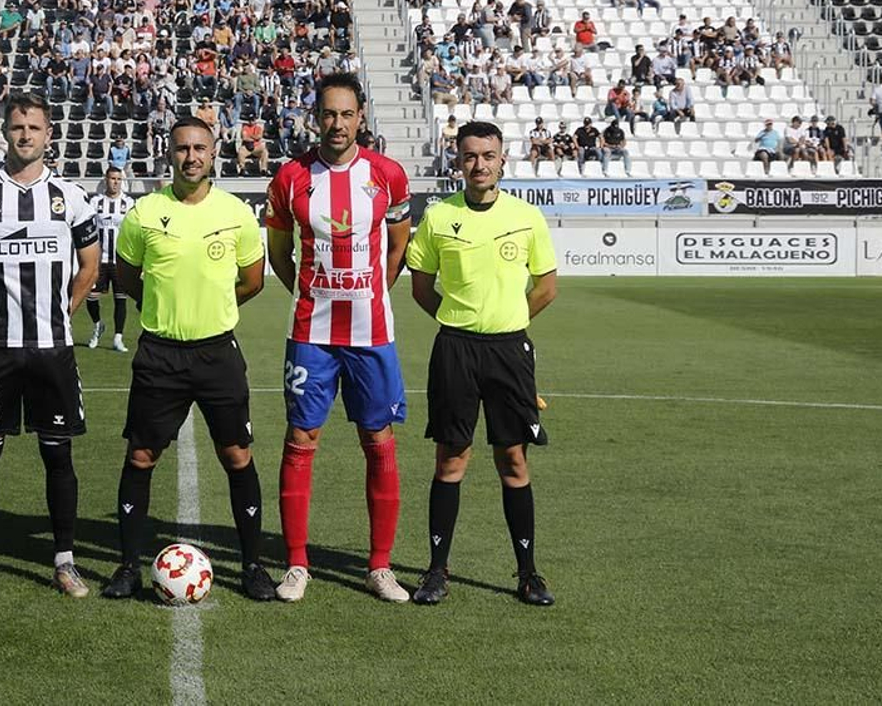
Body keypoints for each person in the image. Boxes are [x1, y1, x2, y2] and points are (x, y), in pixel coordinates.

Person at [102, 116, 277, 602]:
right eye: (182, 148)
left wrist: (212, 310)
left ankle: (253, 566)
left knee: (237, 456)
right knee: (141, 456)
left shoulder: (237, 213)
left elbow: (252, 280)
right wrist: (165, 310)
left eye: (200, 147)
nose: (191, 156)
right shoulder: (143, 213)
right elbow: (129, 277)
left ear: (213, 151)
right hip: (159, 355)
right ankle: (128, 567)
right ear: (170, 153)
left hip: (217, 352)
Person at [263, 74, 412, 604]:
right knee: (302, 441)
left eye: (346, 114)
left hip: (372, 334)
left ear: (361, 117)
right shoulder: (291, 178)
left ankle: (379, 566)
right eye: (328, 114)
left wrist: (373, 294)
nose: (337, 124)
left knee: (378, 442)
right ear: (315, 117)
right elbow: (279, 252)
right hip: (311, 334)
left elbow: (397, 247)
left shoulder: (389, 176)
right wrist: (310, 294)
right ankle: (297, 564)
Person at [0, 93, 101, 599]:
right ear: (4, 133)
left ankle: (64, 561)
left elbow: (89, 267)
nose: (25, 135)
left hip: (53, 348)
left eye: (34, 127)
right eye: (17, 127)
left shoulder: (71, 197)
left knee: (58, 457)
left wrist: (61, 314)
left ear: (49, 134)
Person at [407, 120, 558, 608]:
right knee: (451, 458)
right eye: (470, 156)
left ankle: (529, 573)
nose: (479, 164)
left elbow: (546, 286)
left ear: (502, 160)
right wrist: (461, 324)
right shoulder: (436, 218)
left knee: (513, 459)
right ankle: (435, 572)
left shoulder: (527, 217)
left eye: (488, 156)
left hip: (509, 351)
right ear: (459, 160)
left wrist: (507, 323)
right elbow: (421, 286)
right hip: (455, 349)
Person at [86, 166, 136, 352]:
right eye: (112, 178)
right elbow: (88, 228)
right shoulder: (96, 202)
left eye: (118, 179)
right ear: (105, 180)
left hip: (119, 259)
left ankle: (118, 338)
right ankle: (98, 325)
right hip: (100, 260)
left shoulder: (128, 203)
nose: (115, 182)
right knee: (91, 297)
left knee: (120, 299)